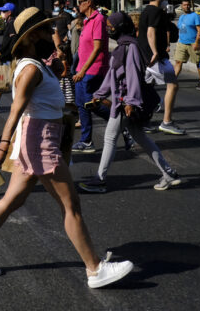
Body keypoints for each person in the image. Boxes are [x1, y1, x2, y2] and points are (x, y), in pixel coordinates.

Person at [0, 7, 134, 288]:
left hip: (38, 137)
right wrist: (2, 147)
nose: (54, 34)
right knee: (70, 205)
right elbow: (15, 111)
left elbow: (50, 90)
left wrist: (59, 62)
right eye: (47, 30)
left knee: (13, 201)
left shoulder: (36, 66)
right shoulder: (30, 69)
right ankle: (95, 269)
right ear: (33, 36)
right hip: (39, 141)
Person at [78, 12, 182, 193]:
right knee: (140, 137)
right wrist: (100, 94)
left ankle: (100, 180)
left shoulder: (130, 47)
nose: (109, 29)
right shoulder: (121, 47)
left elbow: (133, 76)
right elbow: (113, 75)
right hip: (123, 100)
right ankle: (169, 173)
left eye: (112, 26)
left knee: (110, 138)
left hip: (124, 102)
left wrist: (131, 102)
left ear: (121, 27)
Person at [138, 0, 182, 135]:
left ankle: (142, 120)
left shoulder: (145, 11)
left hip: (146, 57)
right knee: (173, 85)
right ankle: (167, 122)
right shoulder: (156, 11)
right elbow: (151, 32)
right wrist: (155, 52)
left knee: (146, 88)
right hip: (156, 58)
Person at [71, 0, 110, 153]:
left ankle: (120, 122)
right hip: (81, 69)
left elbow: (97, 48)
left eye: (80, 2)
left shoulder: (98, 20)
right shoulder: (86, 20)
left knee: (90, 104)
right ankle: (86, 141)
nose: (78, 5)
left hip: (93, 70)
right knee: (81, 105)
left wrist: (82, 71)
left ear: (89, 3)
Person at [174, 0, 200, 78]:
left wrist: (197, 43)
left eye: (188, 5)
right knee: (178, 61)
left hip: (193, 43)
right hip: (182, 43)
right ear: (182, 6)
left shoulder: (195, 16)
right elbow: (182, 29)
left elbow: (199, 31)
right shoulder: (181, 17)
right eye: (185, 5)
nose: (187, 6)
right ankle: (173, 80)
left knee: (198, 63)